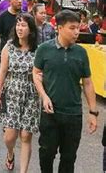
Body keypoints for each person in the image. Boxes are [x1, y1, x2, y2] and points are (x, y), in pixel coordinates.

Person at [33, 10, 98, 173]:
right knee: (46, 153)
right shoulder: (44, 50)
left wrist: (93, 112)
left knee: (69, 158)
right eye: (72, 28)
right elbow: (35, 73)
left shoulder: (81, 53)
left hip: (73, 114)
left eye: (78, 27)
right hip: (50, 113)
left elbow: (88, 82)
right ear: (60, 28)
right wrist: (44, 95)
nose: (77, 32)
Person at [0, 13, 40, 172]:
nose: (20, 28)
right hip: (11, 92)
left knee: (26, 136)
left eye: (24, 25)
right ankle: (10, 153)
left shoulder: (38, 49)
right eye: (18, 25)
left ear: (31, 29)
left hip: (31, 93)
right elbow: (2, 71)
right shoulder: (9, 46)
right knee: (10, 136)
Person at [0, 0, 23, 70]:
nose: (19, 1)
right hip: (6, 54)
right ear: (10, 1)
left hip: (22, 55)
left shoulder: (25, 17)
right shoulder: (2, 17)